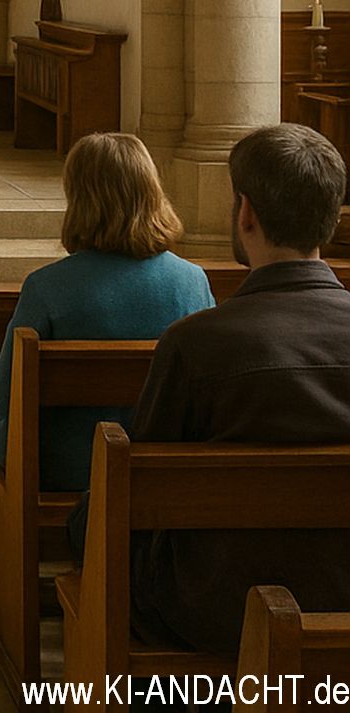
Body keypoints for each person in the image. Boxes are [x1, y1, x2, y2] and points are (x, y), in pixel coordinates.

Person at [117, 122, 350, 654]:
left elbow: (141, 496)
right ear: (330, 221)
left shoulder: (195, 344)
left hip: (216, 608)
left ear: (245, 213)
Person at [0, 133, 215, 491]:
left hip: (65, 475)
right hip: (161, 473)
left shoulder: (46, 286)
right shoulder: (192, 282)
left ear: (78, 199)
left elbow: (2, 396)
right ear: (151, 191)